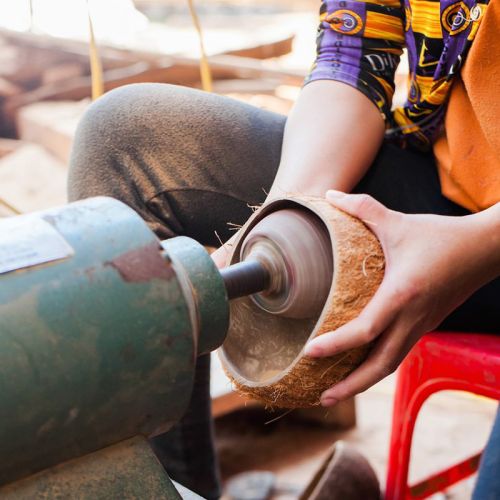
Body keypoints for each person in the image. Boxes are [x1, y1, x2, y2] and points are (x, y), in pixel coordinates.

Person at [68, 0, 500, 498]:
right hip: (452, 190)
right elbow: (353, 59)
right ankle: (176, 489)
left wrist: (480, 245)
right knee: (124, 141)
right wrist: (282, 212)